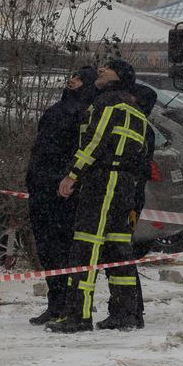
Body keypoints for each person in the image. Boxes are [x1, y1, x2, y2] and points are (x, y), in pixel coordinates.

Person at [50, 57, 153, 332]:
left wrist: (73, 173)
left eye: (106, 68)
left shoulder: (108, 103)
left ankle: (78, 315)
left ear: (118, 77)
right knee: (118, 247)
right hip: (124, 185)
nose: (100, 70)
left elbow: (96, 141)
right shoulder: (137, 110)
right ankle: (125, 313)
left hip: (103, 181)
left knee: (86, 245)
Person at [25, 65, 97, 326]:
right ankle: (55, 304)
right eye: (73, 75)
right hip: (40, 188)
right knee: (47, 250)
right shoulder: (56, 110)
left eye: (79, 77)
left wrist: (67, 178)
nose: (72, 79)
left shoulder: (88, 113)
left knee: (65, 250)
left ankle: (70, 305)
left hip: (65, 191)